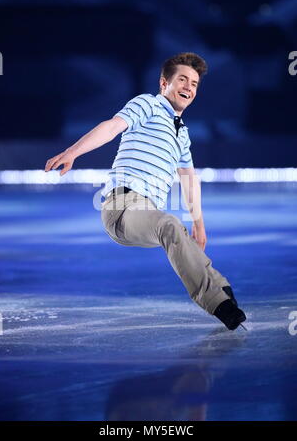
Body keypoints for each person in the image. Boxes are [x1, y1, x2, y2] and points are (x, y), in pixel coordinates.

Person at [45, 52, 246, 331]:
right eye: (182, 80)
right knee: (170, 225)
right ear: (164, 83)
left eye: (194, 84)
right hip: (122, 208)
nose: (188, 87)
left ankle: (223, 291)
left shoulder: (182, 134)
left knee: (174, 230)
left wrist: (199, 224)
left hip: (147, 214)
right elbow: (112, 127)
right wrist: (73, 151)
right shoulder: (148, 104)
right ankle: (219, 302)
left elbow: (189, 180)